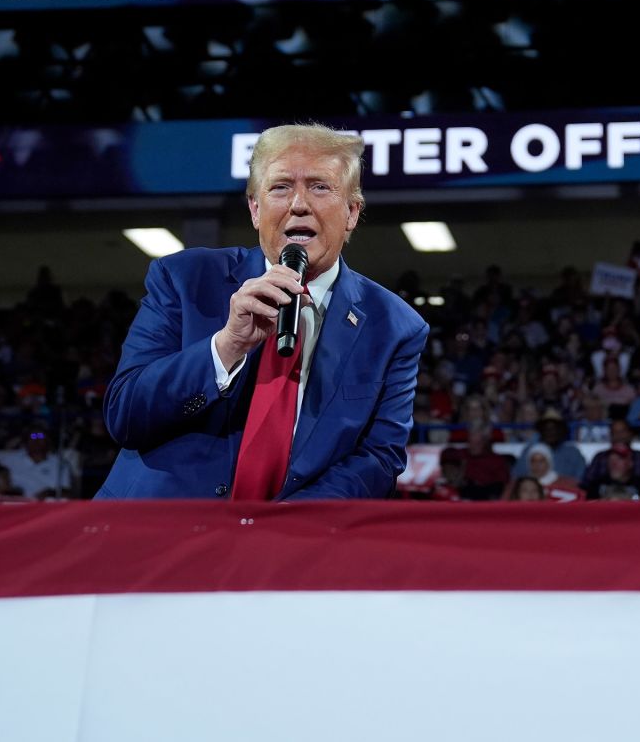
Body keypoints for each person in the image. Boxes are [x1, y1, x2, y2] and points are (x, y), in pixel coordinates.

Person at [98, 124, 430, 499]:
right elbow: (125, 417)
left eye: (320, 186)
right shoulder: (184, 279)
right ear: (255, 209)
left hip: (291, 542)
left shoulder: (396, 326)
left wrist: (280, 531)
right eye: (280, 187)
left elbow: (378, 459)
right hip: (158, 534)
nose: (299, 204)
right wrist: (226, 347)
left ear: (352, 212)